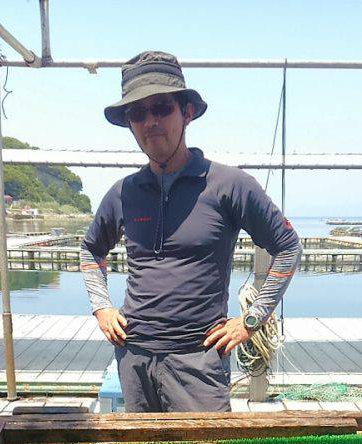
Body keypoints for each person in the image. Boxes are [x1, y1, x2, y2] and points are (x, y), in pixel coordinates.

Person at [81, 51, 302, 412]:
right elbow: (91, 250)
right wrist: (101, 307)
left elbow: (288, 247)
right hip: (133, 357)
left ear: (186, 112)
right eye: (138, 113)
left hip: (198, 360)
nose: (151, 121)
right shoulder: (123, 193)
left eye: (161, 108)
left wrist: (252, 319)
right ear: (129, 124)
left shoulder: (229, 185)